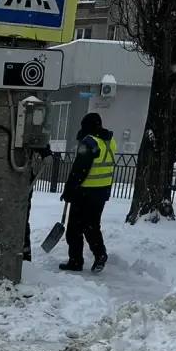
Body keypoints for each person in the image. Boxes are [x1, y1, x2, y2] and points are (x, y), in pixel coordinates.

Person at [59, 111, 116, 273]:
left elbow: (79, 169)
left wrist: (69, 190)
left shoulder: (89, 142)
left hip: (85, 192)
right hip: (102, 192)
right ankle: (100, 254)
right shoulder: (110, 141)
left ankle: (76, 261)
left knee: (74, 228)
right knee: (92, 226)